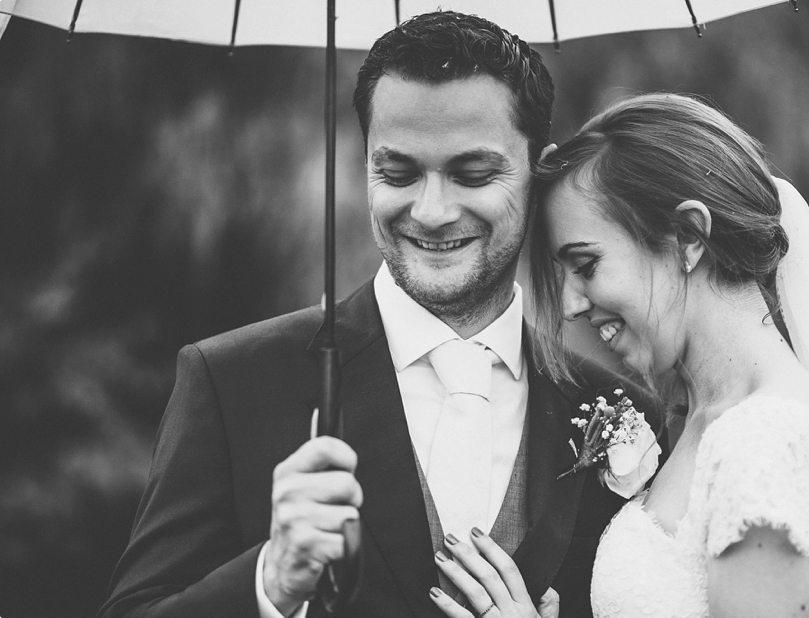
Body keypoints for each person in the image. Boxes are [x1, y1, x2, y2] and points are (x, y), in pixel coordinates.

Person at [97, 12, 625, 618]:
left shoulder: (622, 411)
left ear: (539, 171)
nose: (430, 211)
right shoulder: (232, 380)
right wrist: (271, 584)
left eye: (472, 173)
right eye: (397, 173)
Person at [430, 94, 809, 617]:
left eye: (586, 264)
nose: (572, 304)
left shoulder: (765, 443)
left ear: (688, 237)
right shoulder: (708, 419)